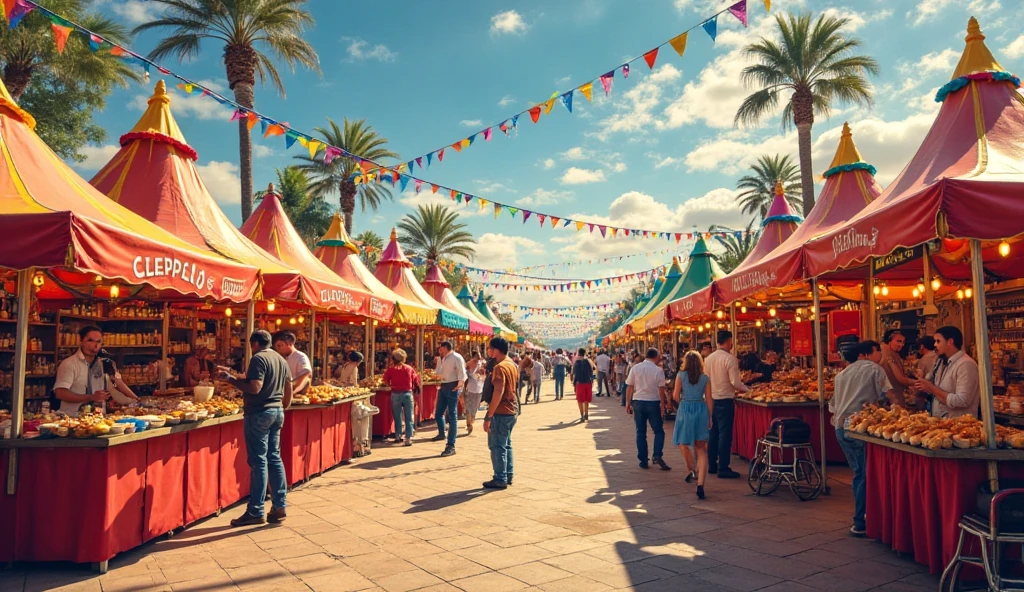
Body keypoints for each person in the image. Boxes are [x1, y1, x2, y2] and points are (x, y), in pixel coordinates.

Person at [219, 330, 292, 526]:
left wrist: (230, 380)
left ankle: (255, 510)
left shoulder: (258, 358)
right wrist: (282, 407)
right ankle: (279, 506)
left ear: (255, 344)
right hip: (277, 411)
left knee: (259, 461)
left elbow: (255, 387)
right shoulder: (281, 359)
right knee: (274, 458)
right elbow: (288, 389)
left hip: (259, 412)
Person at [830, 340, 895, 537]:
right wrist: (896, 409)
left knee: (859, 473)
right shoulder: (875, 369)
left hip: (841, 428)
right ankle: (860, 522)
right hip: (859, 429)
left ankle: (867, 517)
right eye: (878, 351)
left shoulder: (841, 375)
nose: (880, 355)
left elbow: (833, 405)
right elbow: (890, 395)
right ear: (867, 353)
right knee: (864, 475)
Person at [54, 326, 139, 417]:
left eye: (98, 341)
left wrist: (137, 401)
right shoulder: (69, 364)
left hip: (97, 418)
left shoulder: (103, 363)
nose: (95, 345)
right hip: (72, 419)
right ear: (81, 341)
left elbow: (117, 384)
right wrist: (90, 397)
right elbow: (60, 393)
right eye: (90, 340)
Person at [704, 331, 747, 479]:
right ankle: (723, 467)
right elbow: (735, 382)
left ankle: (712, 465)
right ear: (729, 342)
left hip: (711, 399)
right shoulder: (730, 359)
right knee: (725, 434)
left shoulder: (708, 359)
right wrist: (748, 390)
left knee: (713, 433)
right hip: (725, 400)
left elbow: (706, 380)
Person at [915, 326, 981, 419]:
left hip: (959, 424)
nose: (935, 345)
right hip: (941, 423)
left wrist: (931, 388)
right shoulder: (941, 361)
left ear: (950, 342)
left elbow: (962, 400)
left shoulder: (966, 365)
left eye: (938, 341)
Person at [672, 351, 713, 499]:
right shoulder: (705, 378)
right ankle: (700, 484)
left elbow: (675, 395)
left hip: (685, 409)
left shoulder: (681, 375)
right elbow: (709, 399)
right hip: (701, 410)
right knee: (701, 449)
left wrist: (681, 403)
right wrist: (710, 417)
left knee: (682, 442)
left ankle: (691, 469)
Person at [626, 348, 671, 471]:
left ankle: (643, 460)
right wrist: (662, 406)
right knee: (658, 431)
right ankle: (657, 455)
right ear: (655, 357)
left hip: (638, 402)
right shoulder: (658, 370)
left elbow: (630, 387)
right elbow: (661, 390)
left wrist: (628, 403)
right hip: (653, 402)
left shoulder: (635, 368)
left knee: (640, 432)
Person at [483, 337, 519, 489]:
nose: (488, 351)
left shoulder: (500, 367)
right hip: (512, 410)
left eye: (490, 348)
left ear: (496, 350)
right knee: (506, 444)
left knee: (497, 445)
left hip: (501, 411)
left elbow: (498, 391)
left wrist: (489, 415)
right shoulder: (512, 364)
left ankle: (500, 477)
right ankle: (507, 474)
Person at [433, 341, 466, 457]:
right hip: (443, 385)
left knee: (452, 415)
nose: (439, 350)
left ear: (446, 347)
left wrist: (459, 385)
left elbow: (462, 372)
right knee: (439, 413)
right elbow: (438, 372)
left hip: (452, 385)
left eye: (441, 348)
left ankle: (451, 445)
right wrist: (435, 377)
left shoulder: (456, 357)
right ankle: (442, 433)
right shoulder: (440, 359)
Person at [383, 348, 420, 446]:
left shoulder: (391, 369)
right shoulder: (409, 368)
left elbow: (385, 380)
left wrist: (391, 384)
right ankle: (408, 438)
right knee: (409, 416)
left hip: (395, 394)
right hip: (407, 393)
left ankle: (398, 436)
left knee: (397, 416)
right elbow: (416, 380)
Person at [879, 330, 914, 406]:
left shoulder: (889, 353)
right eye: (898, 341)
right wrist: (919, 383)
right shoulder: (888, 354)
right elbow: (900, 379)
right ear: (889, 340)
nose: (901, 345)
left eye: (903, 342)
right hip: (892, 397)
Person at [273, 331, 312, 397]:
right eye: (276, 347)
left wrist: (291, 391)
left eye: (280, 345)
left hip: (295, 396)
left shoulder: (300, 357)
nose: (278, 349)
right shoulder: (279, 358)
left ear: (290, 343)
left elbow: (306, 374)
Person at [464, 350, 485, 435]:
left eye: (479, 356)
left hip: (479, 388)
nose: (479, 357)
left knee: (475, 406)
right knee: (469, 406)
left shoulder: (482, 363)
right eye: (477, 356)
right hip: (471, 388)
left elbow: (484, 374)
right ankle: (469, 423)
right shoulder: (469, 363)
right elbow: (464, 374)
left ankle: (471, 420)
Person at [572, 347, 595, 422]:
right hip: (588, 382)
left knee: (580, 400)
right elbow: (592, 370)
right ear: (585, 353)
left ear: (578, 353)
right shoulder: (589, 361)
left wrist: (574, 383)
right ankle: (586, 414)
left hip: (580, 383)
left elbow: (574, 373)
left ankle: (582, 415)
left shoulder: (576, 362)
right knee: (586, 400)